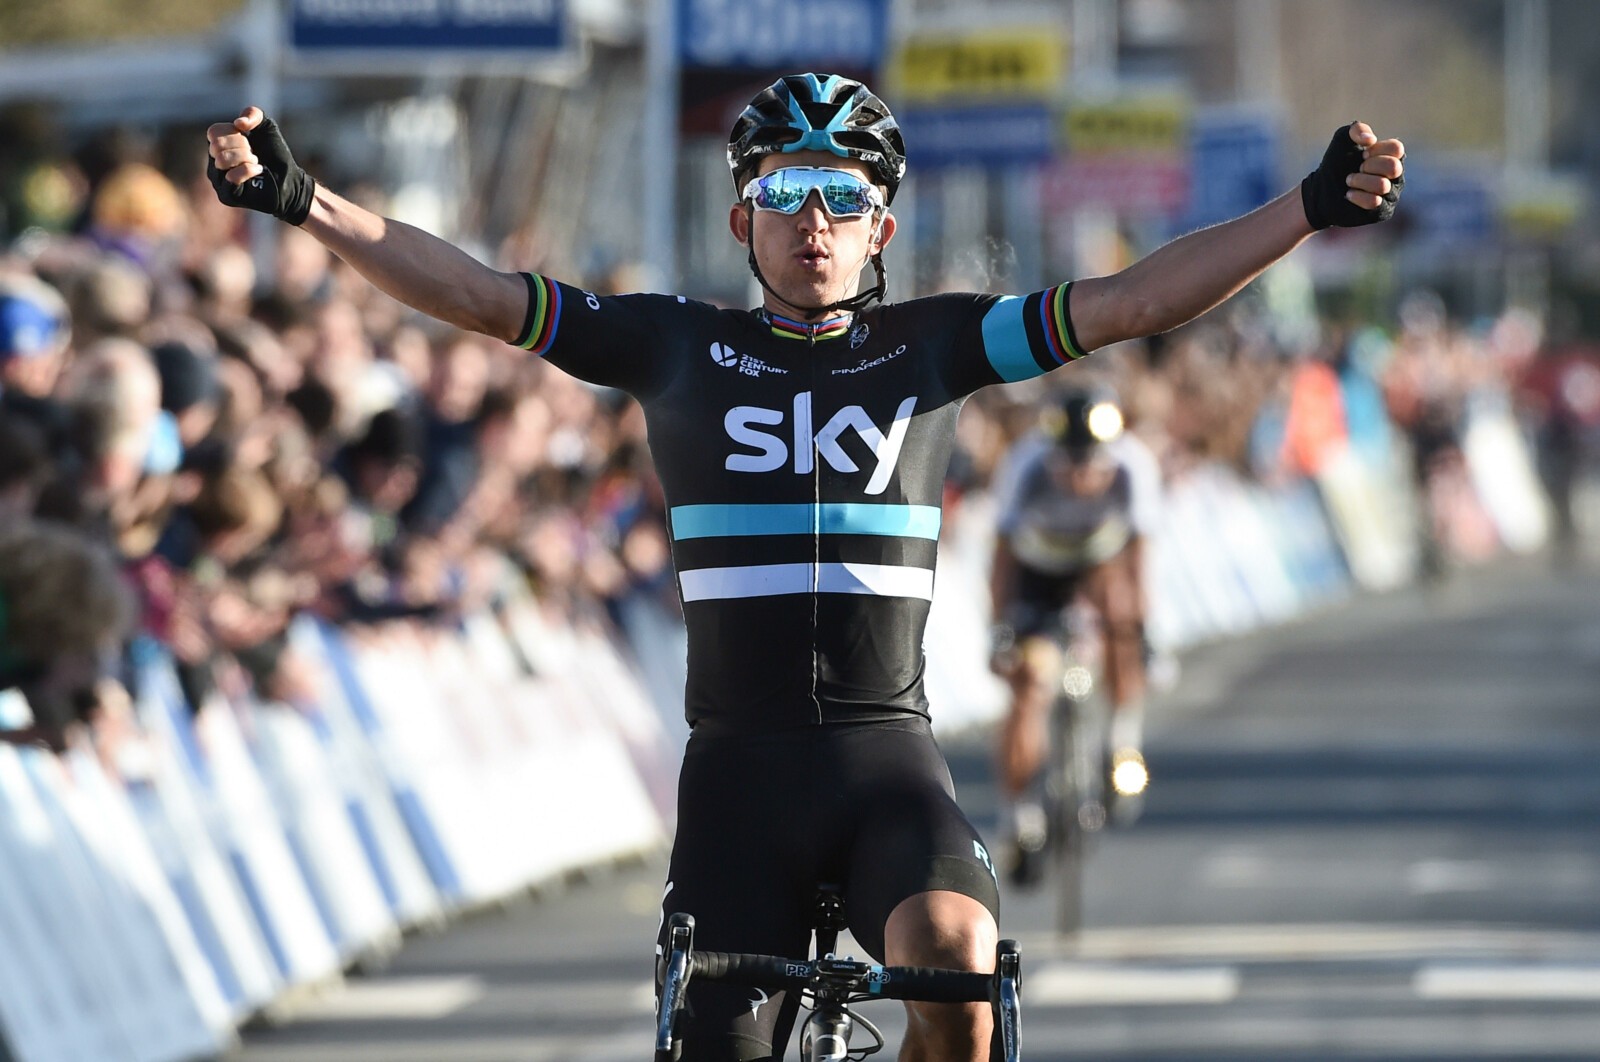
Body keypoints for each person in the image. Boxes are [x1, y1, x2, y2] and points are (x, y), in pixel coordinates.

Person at [206, 73, 1403, 1061]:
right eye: (785, 193)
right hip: (739, 775)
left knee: (957, 965)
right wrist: (306, 201)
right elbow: (473, 293)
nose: (813, 221)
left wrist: (1301, 209)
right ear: (743, 220)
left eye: (843, 195)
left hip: (886, 757)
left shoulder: (935, 343)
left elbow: (1135, 301)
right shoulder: (674, 342)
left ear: (881, 225)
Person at [987, 383, 1159, 885]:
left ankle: (1123, 742)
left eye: (1091, 466)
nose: (1081, 476)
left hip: (1099, 566)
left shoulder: (1134, 465)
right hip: (1037, 575)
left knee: (1124, 621)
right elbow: (1001, 559)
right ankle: (1018, 815)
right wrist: (1000, 629)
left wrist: (1142, 630)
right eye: (1071, 465)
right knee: (1031, 683)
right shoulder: (1026, 463)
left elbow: (1141, 558)